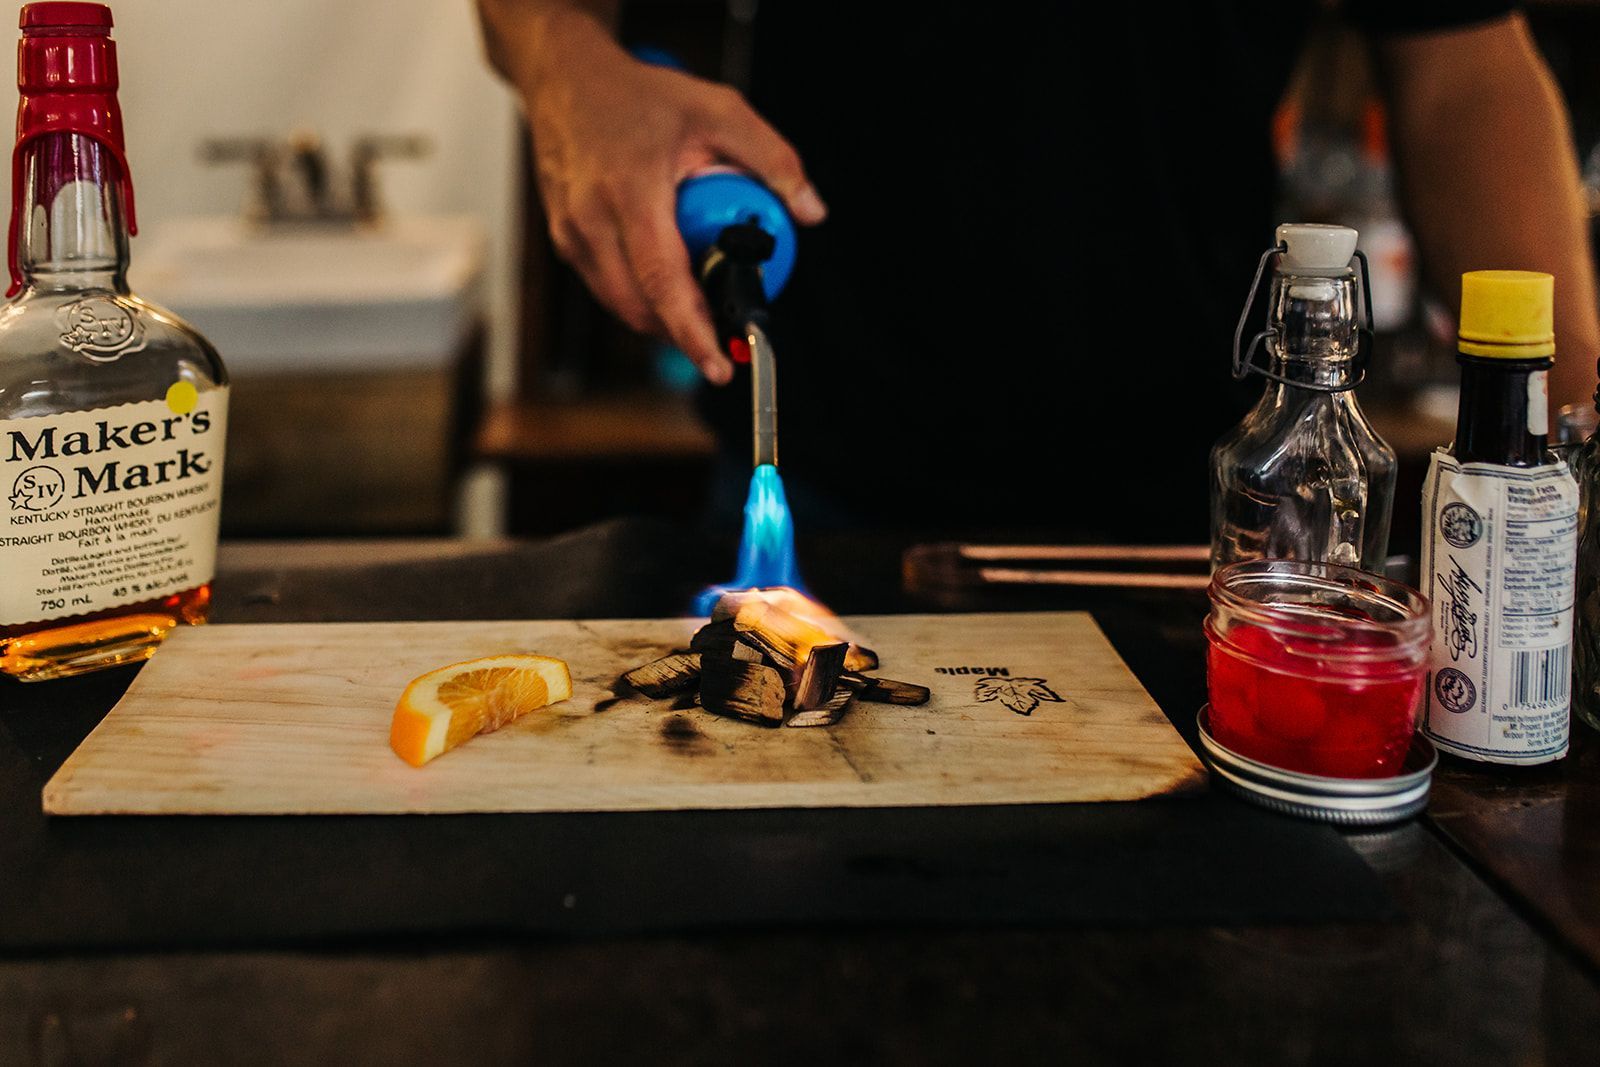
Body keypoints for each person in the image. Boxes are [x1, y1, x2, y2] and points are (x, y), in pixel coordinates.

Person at [476, 1, 1599, 541]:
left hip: (1192, 514)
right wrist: (566, 68)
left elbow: (1462, 75)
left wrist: (1584, 435)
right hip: (829, 472)